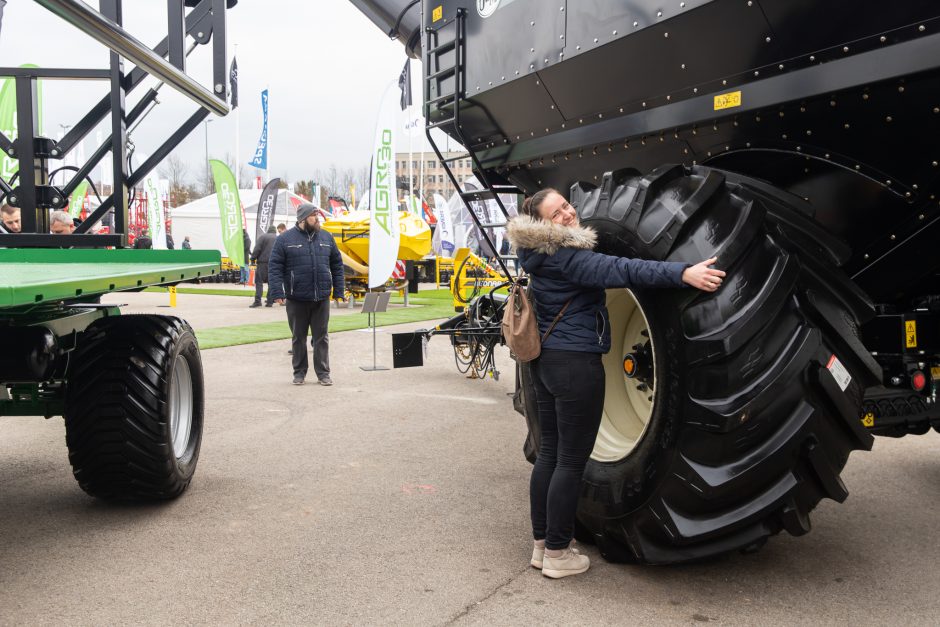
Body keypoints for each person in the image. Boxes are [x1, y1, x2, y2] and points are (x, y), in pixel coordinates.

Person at [505, 188, 724, 579]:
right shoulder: (568, 257)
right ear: (541, 224)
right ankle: (558, 553)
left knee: (551, 455)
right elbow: (625, 270)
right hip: (575, 366)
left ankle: (542, 546)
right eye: (557, 213)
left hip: (545, 363)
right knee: (570, 461)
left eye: (567, 206)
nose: (569, 214)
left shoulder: (536, 255)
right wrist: (682, 272)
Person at [269, 204, 345, 386]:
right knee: (298, 337)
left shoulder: (326, 237)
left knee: (322, 337)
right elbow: (274, 267)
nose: (317, 219)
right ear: (303, 218)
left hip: (322, 298)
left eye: (317, 215)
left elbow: (337, 265)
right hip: (296, 298)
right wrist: (277, 292)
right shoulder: (285, 239)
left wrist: (339, 290)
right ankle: (299, 373)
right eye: (313, 216)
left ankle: (323, 373)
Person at [250, 225, 277, 308]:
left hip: (262, 263)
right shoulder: (278, 238)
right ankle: (270, 302)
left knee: (259, 282)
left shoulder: (263, 237)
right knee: (271, 283)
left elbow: (257, 249)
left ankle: (258, 301)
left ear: (268, 230)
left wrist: (253, 259)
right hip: (274, 263)